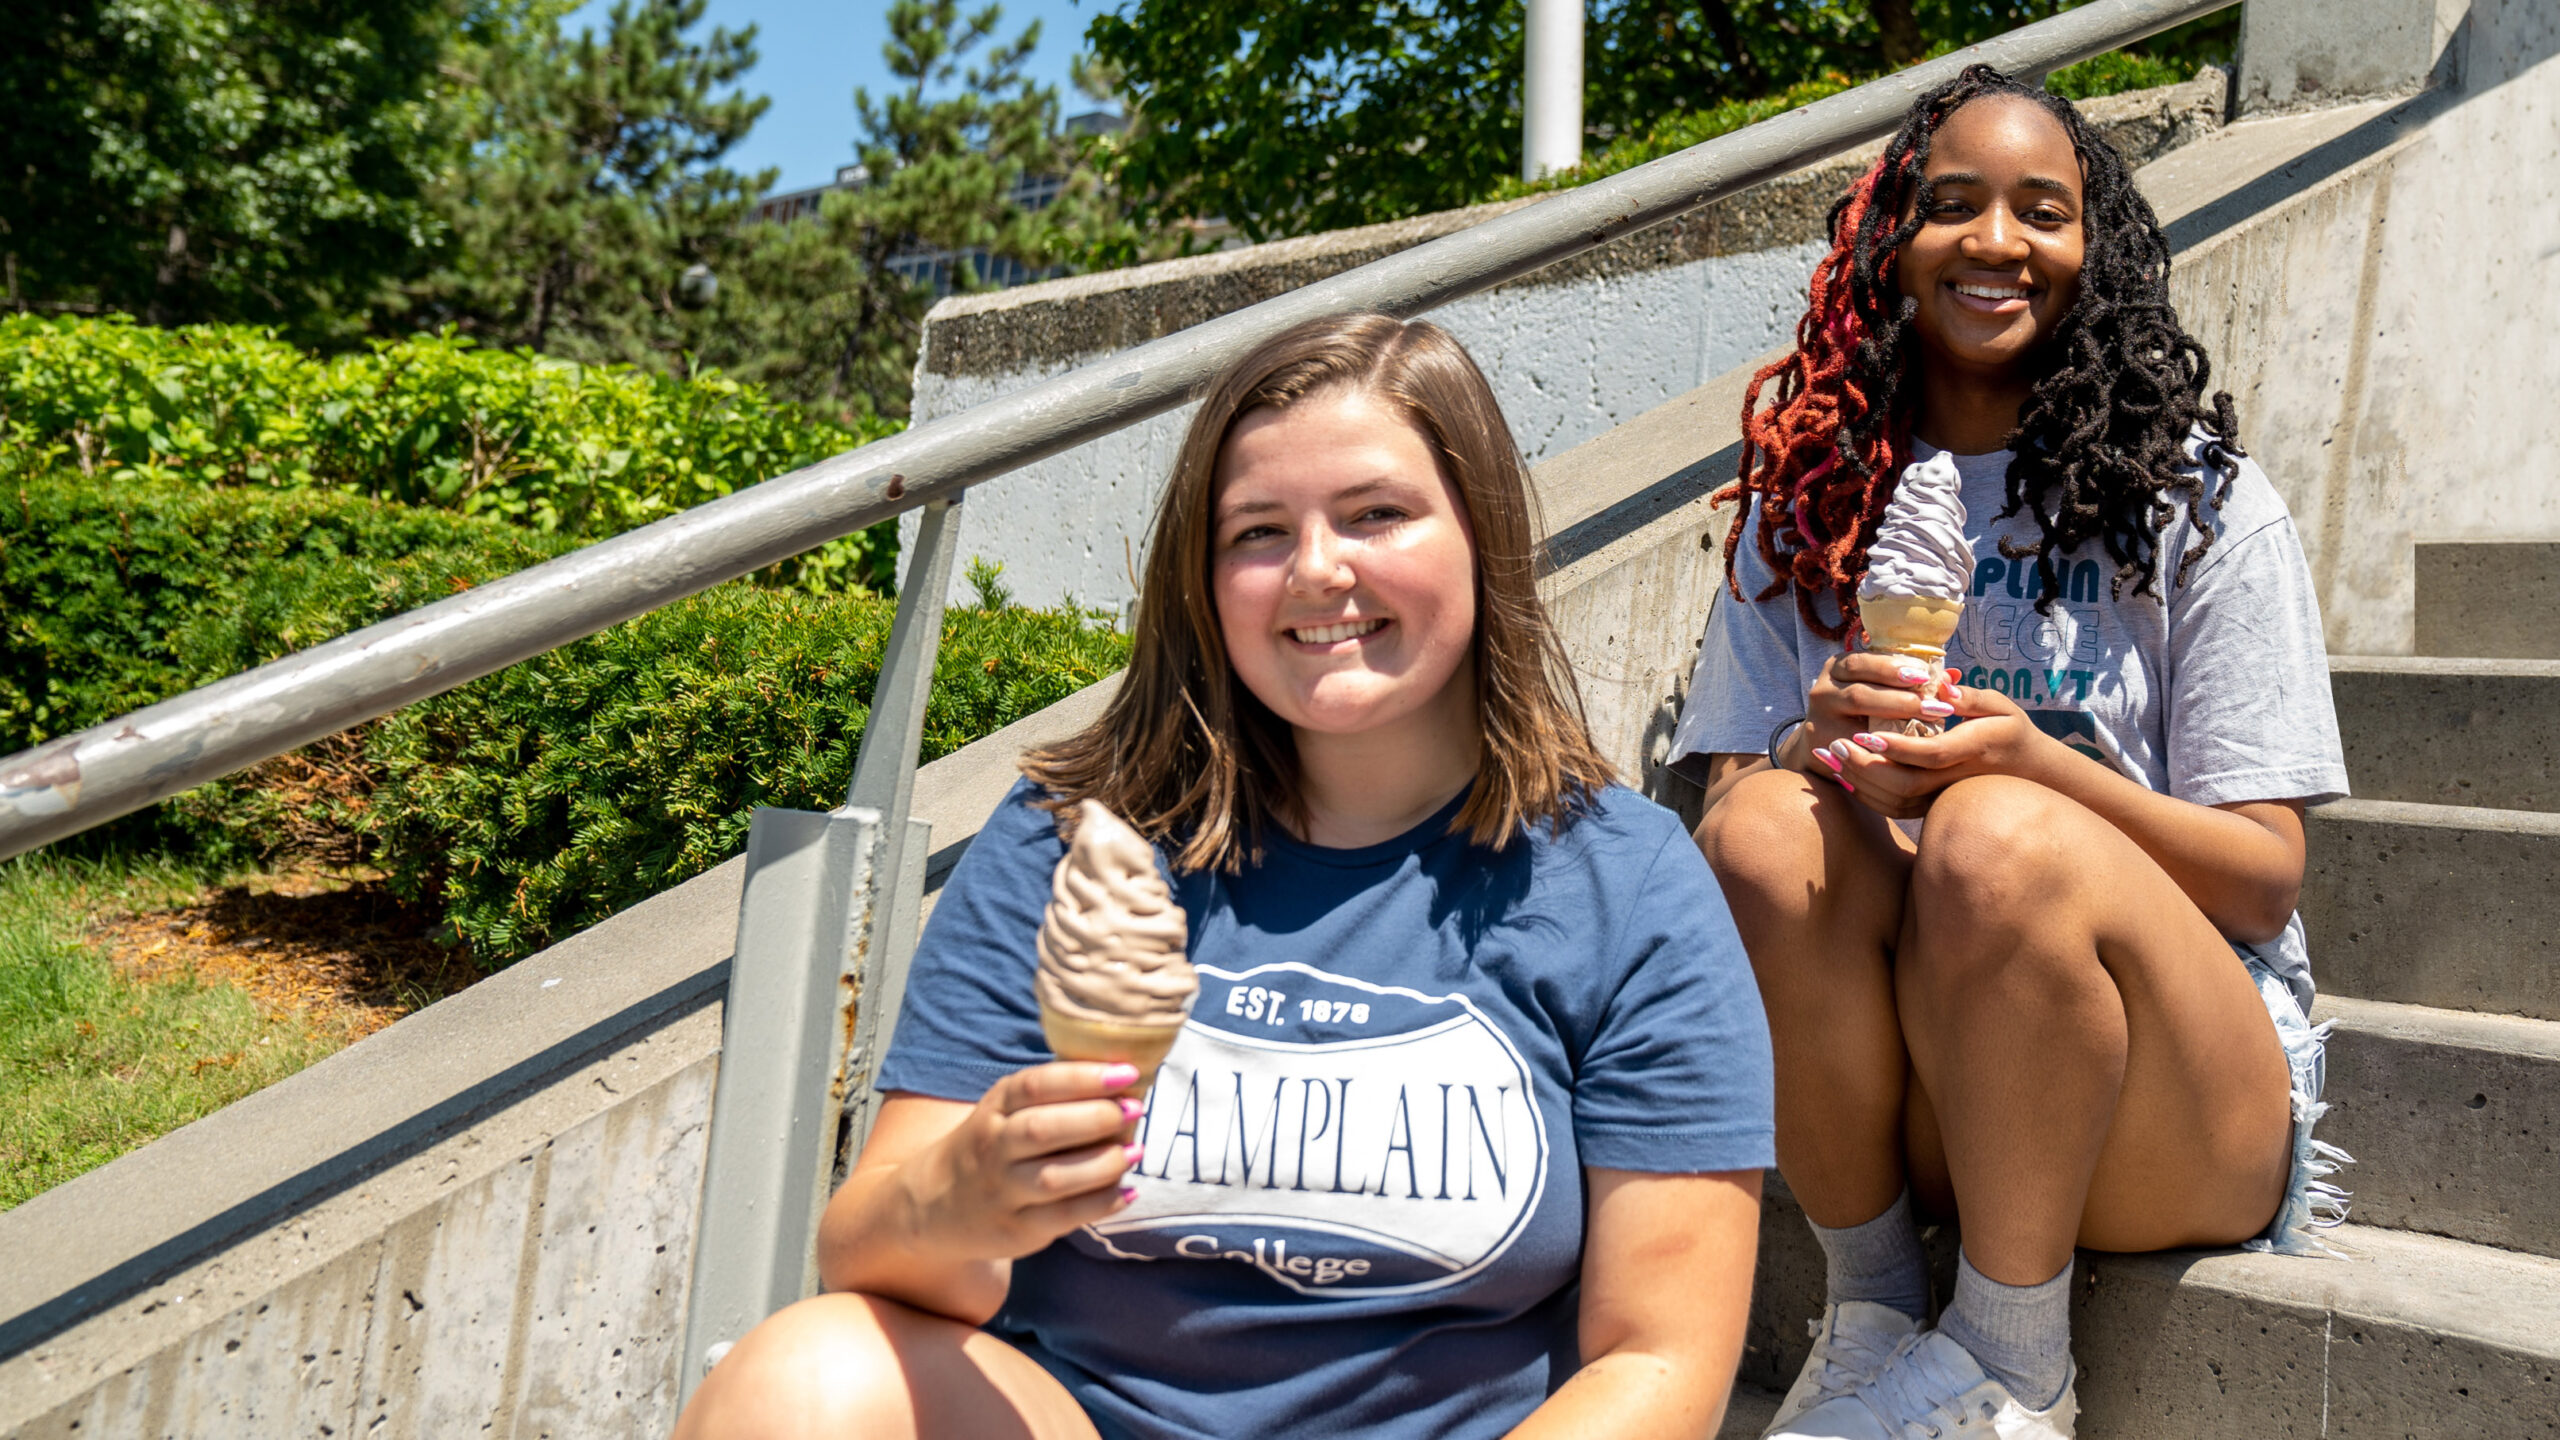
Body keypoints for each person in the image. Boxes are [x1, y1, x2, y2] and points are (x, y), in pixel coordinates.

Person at [674, 312, 1775, 1440]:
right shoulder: (1074, 843)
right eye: (1256, 531)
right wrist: (965, 1195)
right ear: (1201, 578)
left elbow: (1660, 1357)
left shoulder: (1623, 884)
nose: (1316, 570)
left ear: (1479, 534)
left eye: (1376, 515)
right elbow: (867, 1254)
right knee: (801, 1376)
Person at [1667, 65, 2351, 1440]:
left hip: (2170, 1103)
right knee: (1754, 827)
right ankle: (1867, 1320)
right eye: (1954, 204)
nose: (1995, 241)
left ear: (2096, 254)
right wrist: (1814, 742)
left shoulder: (2201, 504)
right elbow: (1724, 855)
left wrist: (2034, 768)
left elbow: (2265, 879)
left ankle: (2013, 1361)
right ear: (1887, 246)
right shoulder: (1807, 511)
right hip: (1920, 1094)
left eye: (2044, 211)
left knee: (1996, 836)